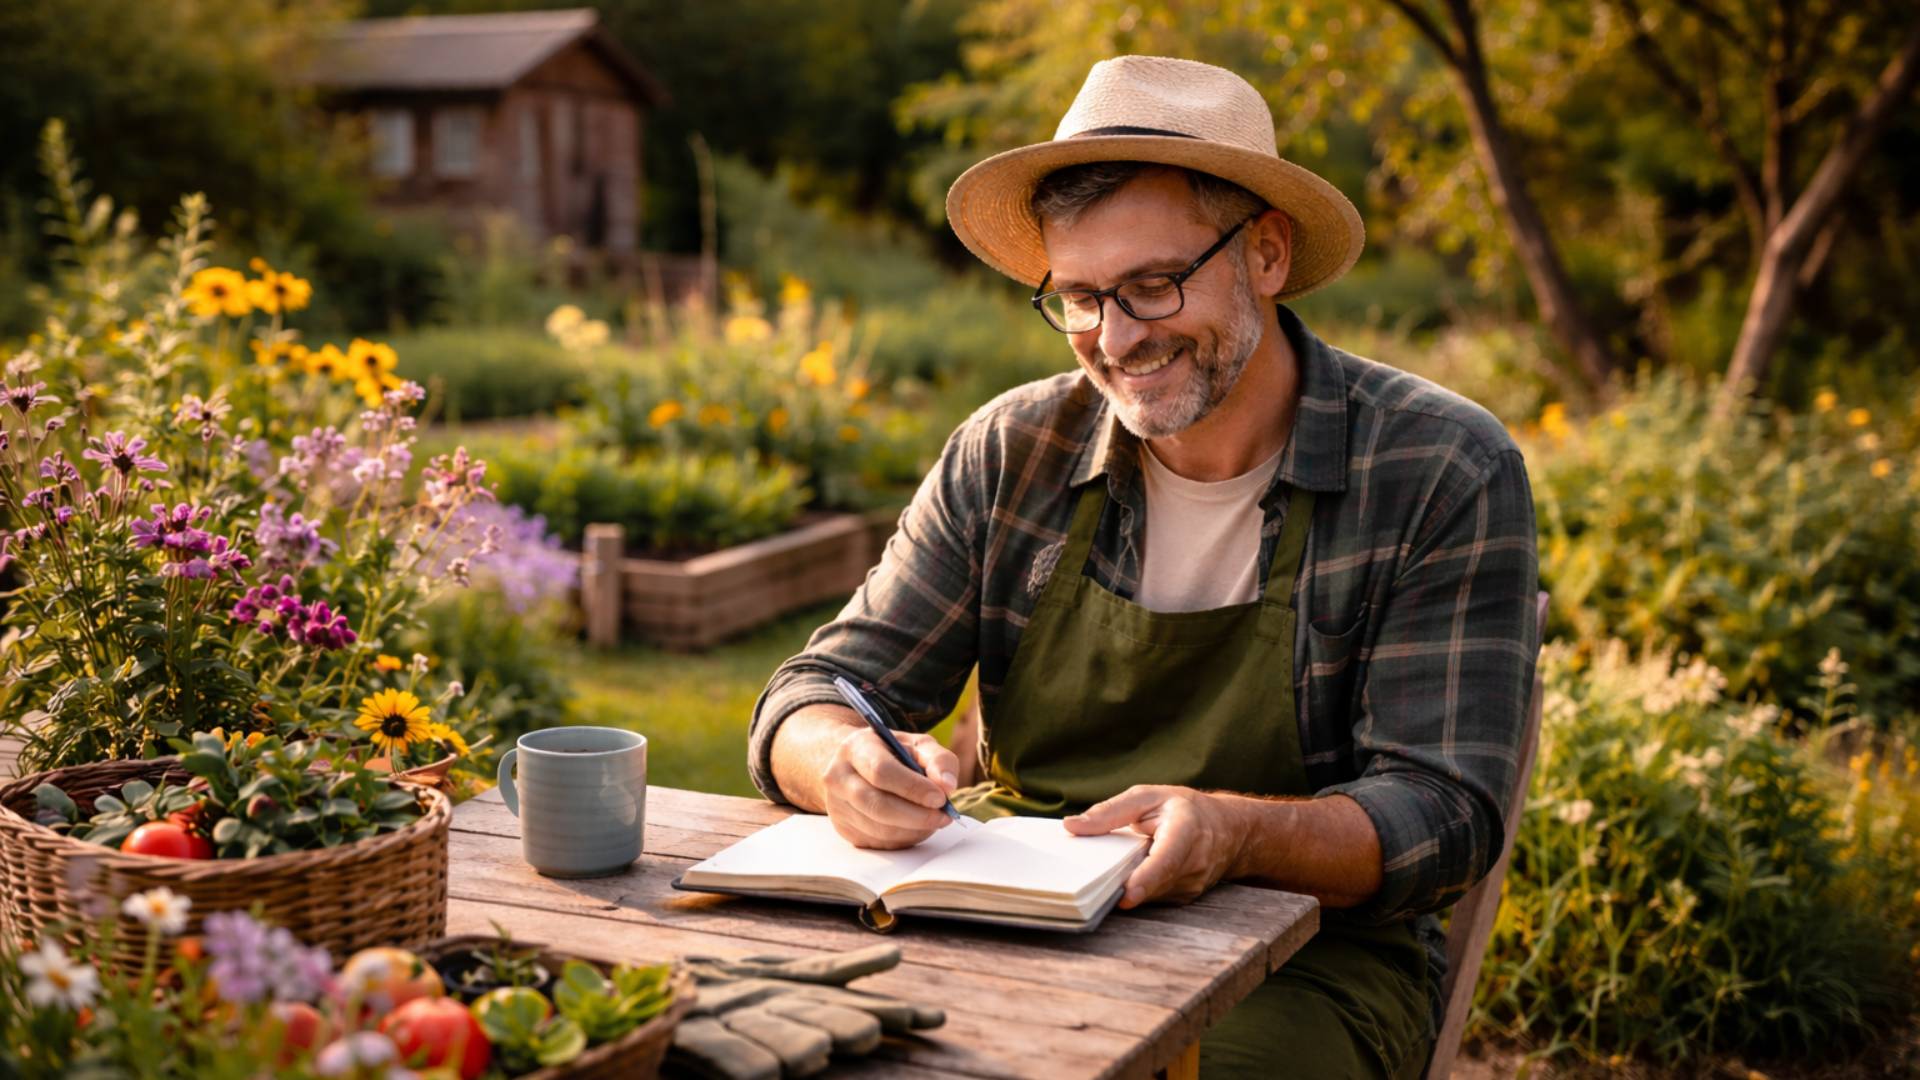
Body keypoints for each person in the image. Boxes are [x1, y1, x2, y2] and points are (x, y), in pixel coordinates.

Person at [748, 54, 1539, 1078]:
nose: (1113, 339)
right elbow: (811, 694)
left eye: (1152, 286)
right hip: (1007, 916)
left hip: (1304, 962)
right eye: (1077, 297)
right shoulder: (1011, 452)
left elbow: (1444, 814)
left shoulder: (1438, 469)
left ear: (1265, 252)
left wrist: (1235, 836)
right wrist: (839, 762)